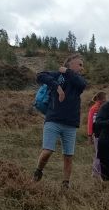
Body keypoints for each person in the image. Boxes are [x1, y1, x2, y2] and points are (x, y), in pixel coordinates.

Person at [33, 54, 88, 188]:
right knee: (48, 151)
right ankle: (38, 171)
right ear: (70, 63)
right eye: (79, 64)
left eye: (82, 65)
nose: (82, 67)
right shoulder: (57, 75)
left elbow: (82, 84)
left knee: (68, 156)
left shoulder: (78, 80)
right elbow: (40, 75)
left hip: (70, 124)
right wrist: (56, 86)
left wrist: (67, 71)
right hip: (53, 120)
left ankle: (65, 184)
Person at [87, 91, 107, 178]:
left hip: (103, 135)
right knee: (99, 154)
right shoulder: (94, 108)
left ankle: (100, 173)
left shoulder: (104, 108)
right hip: (98, 135)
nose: (106, 100)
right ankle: (95, 173)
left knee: (101, 154)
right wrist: (89, 135)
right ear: (101, 99)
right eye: (105, 99)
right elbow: (90, 123)